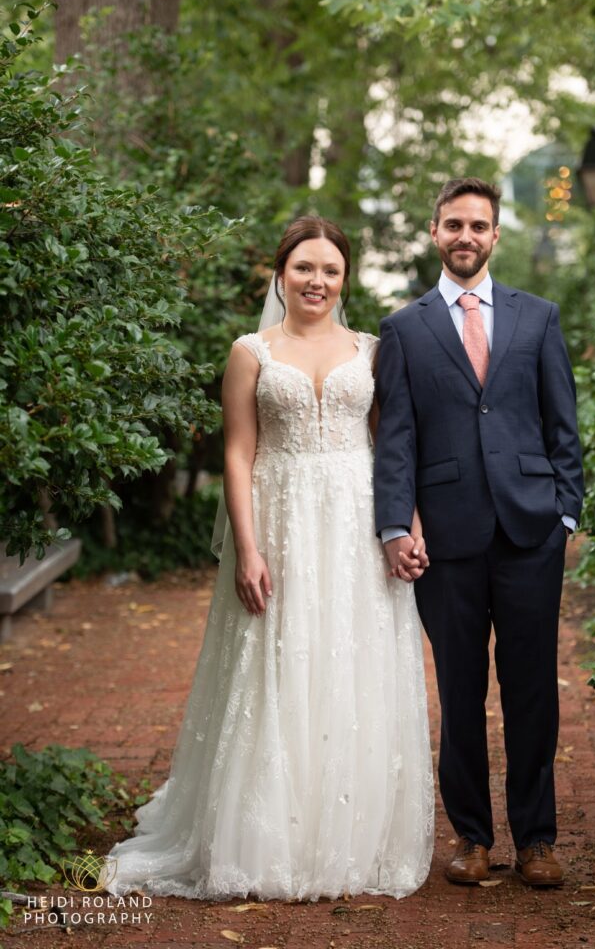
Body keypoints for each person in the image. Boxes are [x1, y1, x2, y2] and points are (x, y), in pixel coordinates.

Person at [105, 216, 434, 901]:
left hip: (353, 521)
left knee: (351, 663)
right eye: (304, 267)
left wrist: (407, 527)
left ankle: (348, 834)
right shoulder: (250, 351)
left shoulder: (371, 350)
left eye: (330, 270)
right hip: (280, 520)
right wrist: (248, 548)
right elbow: (238, 452)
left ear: (345, 280)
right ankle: (268, 836)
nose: (316, 281)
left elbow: (393, 450)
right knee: (277, 663)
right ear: (280, 273)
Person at [374, 178, 583, 887]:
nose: (466, 236)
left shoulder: (538, 318)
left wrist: (565, 513)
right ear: (433, 232)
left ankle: (536, 840)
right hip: (447, 541)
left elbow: (562, 426)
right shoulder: (402, 330)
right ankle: (470, 837)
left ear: (495, 236)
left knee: (531, 690)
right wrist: (393, 527)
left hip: (530, 532)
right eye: (453, 224)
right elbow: (395, 438)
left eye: (479, 225)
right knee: (460, 690)